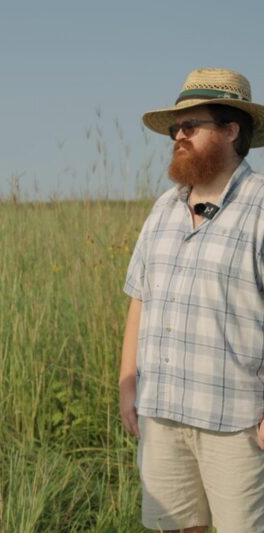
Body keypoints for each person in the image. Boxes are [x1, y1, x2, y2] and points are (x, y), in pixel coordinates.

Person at [120, 68, 264, 532]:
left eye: (190, 126)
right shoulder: (163, 208)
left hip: (236, 422)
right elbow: (140, 297)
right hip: (162, 412)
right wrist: (127, 383)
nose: (177, 136)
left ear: (230, 130)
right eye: (173, 129)